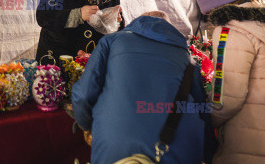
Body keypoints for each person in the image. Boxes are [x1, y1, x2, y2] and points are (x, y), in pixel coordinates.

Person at [72, 11, 207, 164]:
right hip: (179, 147)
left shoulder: (112, 41)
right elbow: (202, 109)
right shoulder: (189, 59)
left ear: (137, 23)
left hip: (117, 144)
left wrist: (86, 125)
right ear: (170, 29)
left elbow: (83, 94)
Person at [197, 0, 265, 164]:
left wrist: (206, 120)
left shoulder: (230, 31)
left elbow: (227, 96)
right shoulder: (259, 23)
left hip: (248, 141)